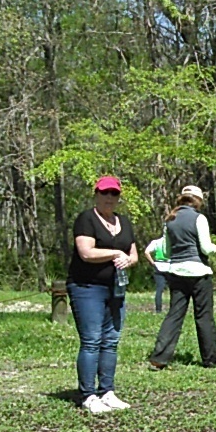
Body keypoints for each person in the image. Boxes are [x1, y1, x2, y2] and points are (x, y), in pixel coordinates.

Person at [68, 176, 137, 414]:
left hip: (115, 289)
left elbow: (133, 254)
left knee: (111, 341)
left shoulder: (124, 222)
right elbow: (86, 252)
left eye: (114, 194)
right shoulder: (86, 219)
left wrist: (128, 259)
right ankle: (88, 394)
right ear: (96, 194)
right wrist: (115, 253)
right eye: (105, 193)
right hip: (87, 288)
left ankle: (107, 391)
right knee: (92, 340)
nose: (109, 198)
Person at [147, 185, 216, 369]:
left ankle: (159, 358)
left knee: (174, 315)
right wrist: (215, 248)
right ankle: (210, 360)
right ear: (198, 201)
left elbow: (165, 250)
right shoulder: (199, 218)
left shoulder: (170, 219)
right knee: (204, 316)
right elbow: (205, 248)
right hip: (199, 273)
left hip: (176, 273)